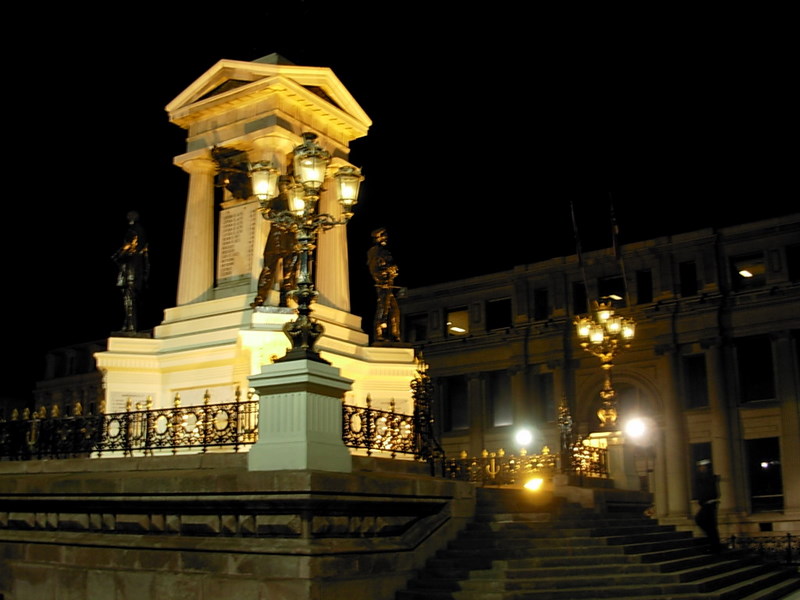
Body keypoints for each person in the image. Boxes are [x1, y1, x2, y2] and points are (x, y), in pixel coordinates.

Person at [251, 178, 299, 309]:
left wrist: (290, 221)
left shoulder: (296, 201)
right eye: (282, 184)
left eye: (286, 184)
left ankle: (286, 299)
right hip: (275, 238)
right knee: (268, 268)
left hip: (290, 239)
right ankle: (260, 297)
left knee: (290, 271)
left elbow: (299, 219)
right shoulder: (273, 201)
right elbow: (269, 214)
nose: (283, 187)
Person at [112, 211, 149, 332]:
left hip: (130, 269)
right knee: (129, 297)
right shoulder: (139, 231)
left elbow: (127, 246)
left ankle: (131, 324)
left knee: (129, 297)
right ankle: (128, 323)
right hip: (133, 268)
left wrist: (117, 255)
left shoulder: (134, 230)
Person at [367, 228, 400, 342]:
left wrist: (393, 270)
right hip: (383, 284)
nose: (385, 238)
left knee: (393, 310)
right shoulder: (374, 251)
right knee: (382, 308)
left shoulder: (384, 251)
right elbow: (375, 269)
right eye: (383, 236)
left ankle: (395, 334)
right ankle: (379, 333)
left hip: (389, 283)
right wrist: (386, 272)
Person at [693, 459, 722, 553]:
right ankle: (715, 544)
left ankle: (715, 545)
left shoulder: (707, 477)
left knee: (703, 521)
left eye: (702, 467)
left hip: (709, 504)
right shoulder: (706, 477)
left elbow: (707, 490)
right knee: (710, 525)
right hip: (707, 503)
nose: (701, 469)